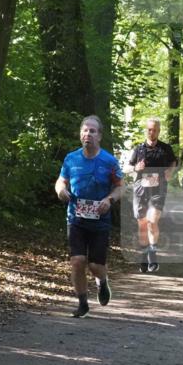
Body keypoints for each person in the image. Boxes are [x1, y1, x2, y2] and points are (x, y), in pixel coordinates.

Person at [55, 115, 123, 318]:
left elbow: (120, 187)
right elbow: (61, 181)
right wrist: (61, 190)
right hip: (76, 218)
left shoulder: (109, 161)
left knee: (95, 265)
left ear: (99, 136)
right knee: (77, 261)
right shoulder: (71, 158)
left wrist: (109, 200)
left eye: (92, 131)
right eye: (85, 130)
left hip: (100, 221)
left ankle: (102, 282)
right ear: (80, 134)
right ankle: (82, 303)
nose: (88, 134)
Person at [128, 117, 178, 273]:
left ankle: (152, 256)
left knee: (152, 221)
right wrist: (136, 168)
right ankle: (144, 256)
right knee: (142, 224)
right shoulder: (138, 149)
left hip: (158, 189)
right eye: (150, 129)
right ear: (146, 130)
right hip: (140, 190)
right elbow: (126, 168)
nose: (152, 132)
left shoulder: (165, 148)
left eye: (155, 130)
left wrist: (170, 171)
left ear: (159, 131)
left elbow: (174, 161)